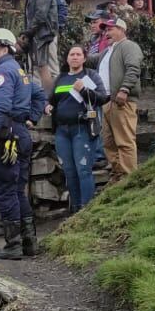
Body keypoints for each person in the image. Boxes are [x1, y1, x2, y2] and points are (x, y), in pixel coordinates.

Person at [0, 29, 47, 260]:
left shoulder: (2, 73)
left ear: (3, 48)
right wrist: (31, 118)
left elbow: (0, 106)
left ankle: (13, 246)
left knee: (5, 191)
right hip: (21, 134)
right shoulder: (20, 71)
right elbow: (39, 95)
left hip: (7, 138)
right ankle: (30, 243)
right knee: (18, 190)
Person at [49, 46, 108, 213]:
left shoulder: (91, 76)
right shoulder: (60, 78)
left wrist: (84, 90)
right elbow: (52, 100)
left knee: (83, 170)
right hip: (62, 131)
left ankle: (86, 210)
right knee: (69, 171)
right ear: (67, 59)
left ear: (84, 58)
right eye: (71, 54)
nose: (74, 57)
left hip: (82, 129)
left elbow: (103, 98)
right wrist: (47, 106)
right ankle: (75, 210)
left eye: (78, 54)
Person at [92, 18, 143, 180]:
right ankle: (118, 177)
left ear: (121, 29)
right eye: (105, 30)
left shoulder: (129, 46)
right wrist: (76, 54)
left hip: (122, 101)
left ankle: (130, 180)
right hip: (107, 102)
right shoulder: (108, 51)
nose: (106, 33)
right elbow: (90, 60)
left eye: (110, 29)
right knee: (108, 142)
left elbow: (133, 68)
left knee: (125, 142)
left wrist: (124, 89)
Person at [19, 0, 59, 93]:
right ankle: (42, 103)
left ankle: (53, 102)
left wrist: (27, 32)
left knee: (50, 71)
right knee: (38, 70)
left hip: (47, 37)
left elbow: (40, 15)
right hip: (38, 37)